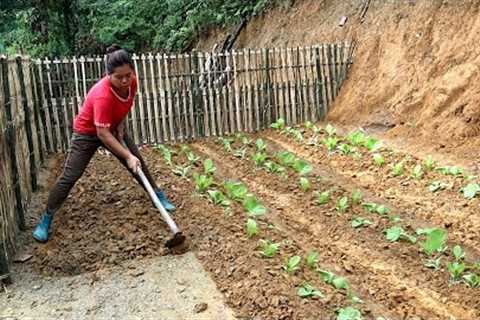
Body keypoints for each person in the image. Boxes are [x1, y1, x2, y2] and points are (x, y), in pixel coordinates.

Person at [32, 45, 175, 243]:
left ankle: (157, 195)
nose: (125, 80)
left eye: (128, 74)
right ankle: (46, 219)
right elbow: (101, 133)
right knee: (70, 175)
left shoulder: (132, 82)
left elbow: (126, 104)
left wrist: (121, 125)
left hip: (112, 128)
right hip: (87, 133)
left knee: (138, 162)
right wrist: (127, 155)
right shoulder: (102, 94)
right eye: (119, 77)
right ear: (108, 75)